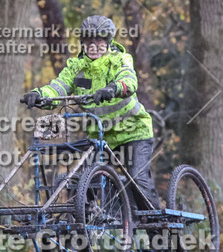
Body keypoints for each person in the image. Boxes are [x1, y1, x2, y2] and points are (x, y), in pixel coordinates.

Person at [19, 15, 159, 209]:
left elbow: (129, 79)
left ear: (109, 42)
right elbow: (59, 87)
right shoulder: (76, 68)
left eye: (100, 41)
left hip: (133, 132)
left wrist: (113, 88)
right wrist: (38, 94)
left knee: (137, 178)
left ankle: (157, 231)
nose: (94, 46)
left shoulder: (119, 60)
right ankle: (81, 231)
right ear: (82, 43)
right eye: (88, 41)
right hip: (100, 138)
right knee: (82, 183)